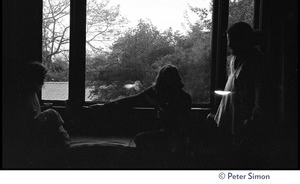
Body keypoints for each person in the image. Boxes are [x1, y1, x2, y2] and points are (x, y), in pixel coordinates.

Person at [90, 64, 192, 155]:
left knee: (140, 139)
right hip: (171, 135)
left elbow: (179, 123)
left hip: (175, 135)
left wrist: (160, 107)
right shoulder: (180, 96)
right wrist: (102, 107)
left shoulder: (169, 95)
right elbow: (130, 101)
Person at [207, 22, 272, 156]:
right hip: (226, 124)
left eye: (232, 40)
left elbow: (261, 100)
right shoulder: (234, 60)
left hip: (242, 128)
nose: (229, 45)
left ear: (244, 40)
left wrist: (250, 124)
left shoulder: (258, 63)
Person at [15, 61, 70, 168]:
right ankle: (63, 142)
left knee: (51, 114)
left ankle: (63, 142)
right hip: (29, 134)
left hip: (34, 131)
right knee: (52, 113)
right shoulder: (23, 97)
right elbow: (22, 125)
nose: (43, 82)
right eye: (40, 78)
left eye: (43, 78)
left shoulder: (33, 94)